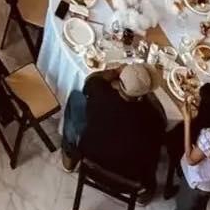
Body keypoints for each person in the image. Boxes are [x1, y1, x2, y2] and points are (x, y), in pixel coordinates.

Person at [60, 64, 165, 194]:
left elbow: (91, 79)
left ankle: (69, 155)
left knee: (75, 98)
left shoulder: (100, 93)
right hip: (130, 181)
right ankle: (144, 194)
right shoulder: (154, 118)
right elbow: (153, 155)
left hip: (90, 161)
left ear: (119, 83)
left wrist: (115, 71)